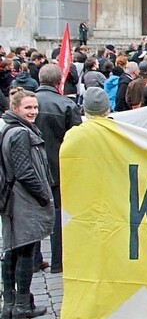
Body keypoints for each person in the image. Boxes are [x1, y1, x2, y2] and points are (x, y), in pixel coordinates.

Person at [1, 88, 55, 319]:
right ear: (15, 109)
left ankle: (9, 304)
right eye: (28, 108)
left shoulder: (10, 128)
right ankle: (21, 304)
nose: (33, 111)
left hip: (14, 199)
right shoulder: (20, 133)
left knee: (12, 250)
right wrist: (44, 196)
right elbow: (25, 171)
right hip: (23, 200)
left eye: (35, 107)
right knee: (25, 250)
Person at [33, 64, 81, 274]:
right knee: (57, 215)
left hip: (32, 168)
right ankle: (57, 261)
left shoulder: (27, 103)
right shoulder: (66, 105)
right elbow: (78, 139)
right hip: (58, 168)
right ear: (59, 81)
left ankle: (34, 259)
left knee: (32, 213)